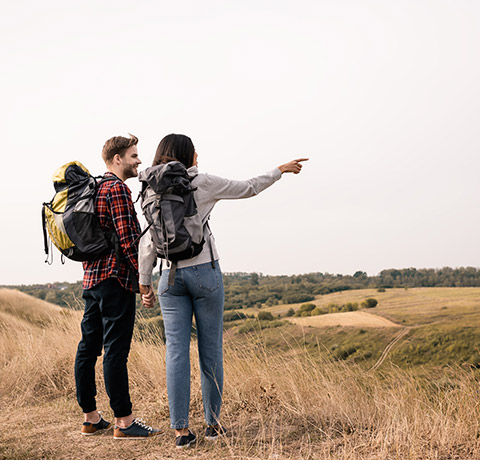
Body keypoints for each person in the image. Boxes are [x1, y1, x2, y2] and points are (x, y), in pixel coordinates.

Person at [138, 133, 307, 448]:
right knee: (211, 350)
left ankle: (181, 432)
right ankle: (213, 425)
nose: (198, 155)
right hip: (204, 273)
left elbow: (148, 240)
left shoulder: (150, 187)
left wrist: (144, 281)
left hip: (168, 280)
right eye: (195, 151)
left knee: (176, 352)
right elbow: (248, 187)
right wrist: (279, 170)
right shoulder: (201, 182)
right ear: (188, 155)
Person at [74, 134, 161, 439]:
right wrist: (144, 282)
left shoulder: (94, 188)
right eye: (134, 155)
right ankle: (124, 421)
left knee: (87, 349)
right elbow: (129, 242)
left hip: (91, 280)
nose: (139, 161)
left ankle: (91, 418)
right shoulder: (117, 190)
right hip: (115, 281)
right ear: (117, 159)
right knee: (115, 352)